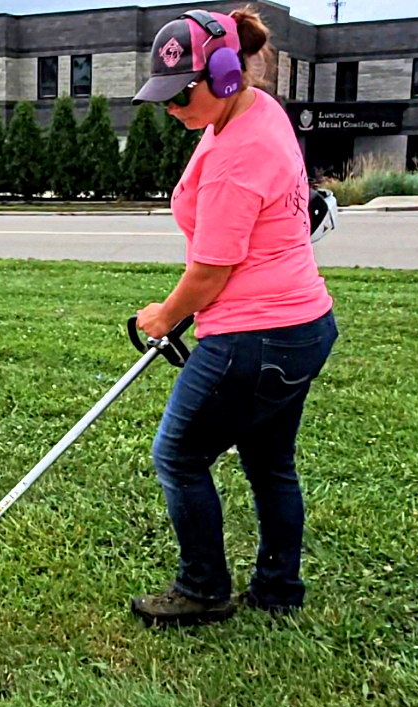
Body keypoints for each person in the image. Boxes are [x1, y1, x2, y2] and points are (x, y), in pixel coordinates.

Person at [128, 6, 339, 626]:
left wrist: (165, 315)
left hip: (256, 337)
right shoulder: (255, 111)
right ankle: (278, 590)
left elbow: (210, 273)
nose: (171, 108)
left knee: (178, 454)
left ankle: (202, 589)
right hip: (302, 326)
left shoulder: (237, 157)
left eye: (180, 94)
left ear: (224, 75)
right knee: (271, 463)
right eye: (163, 97)